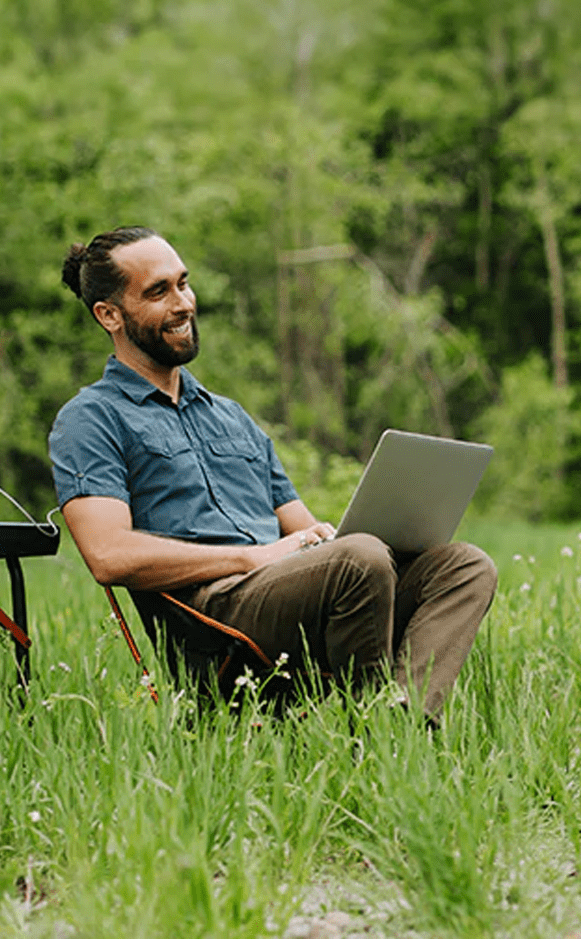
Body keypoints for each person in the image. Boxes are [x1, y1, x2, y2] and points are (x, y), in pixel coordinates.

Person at [48, 226, 497, 722]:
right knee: (360, 557)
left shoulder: (229, 416)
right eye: (159, 292)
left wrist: (333, 536)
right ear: (109, 314)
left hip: (283, 588)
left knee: (462, 565)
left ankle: (404, 724)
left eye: (183, 283)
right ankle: (371, 734)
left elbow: (304, 528)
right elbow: (109, 555)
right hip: (212, 613)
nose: (183, 303)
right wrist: (251, 558)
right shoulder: (90, 418)